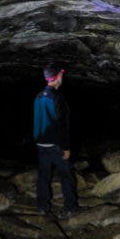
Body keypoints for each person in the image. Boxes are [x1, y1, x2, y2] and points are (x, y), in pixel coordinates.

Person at [33, 66, 78, 217]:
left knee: (43, 176)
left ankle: (42, 207)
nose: (62, 77)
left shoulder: (39, 96)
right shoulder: (58, 98)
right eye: (61, 75)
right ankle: (70, 208)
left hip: (41, 144)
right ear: (58, 77)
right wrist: (66, 147)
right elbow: (62, 125)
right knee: (66, 175)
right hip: (56, 145)